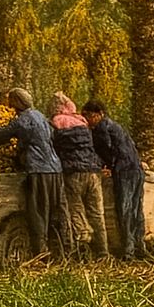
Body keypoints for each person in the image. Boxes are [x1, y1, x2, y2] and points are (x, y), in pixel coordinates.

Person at [0, 88, 69, 259]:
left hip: (39, 170)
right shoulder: (41, 117)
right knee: (57, 210)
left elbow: (2, 135)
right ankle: (64, 250)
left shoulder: (23, 121)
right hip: (55, 169)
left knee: (38, 211)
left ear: (16, 103)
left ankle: (41, 253)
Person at [48, 92, 109, 260]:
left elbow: (55, 147)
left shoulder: (56, 122)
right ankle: (103, 253)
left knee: (76, 210)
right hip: (93, 172)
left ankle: (84, 244)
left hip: (73, 173)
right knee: (97, 213)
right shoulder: (82, 122)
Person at [83, 100, 145, 261]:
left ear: (99, 114)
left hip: (124, 172)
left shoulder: (102, 128)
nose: (88, 120)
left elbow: (106, 149)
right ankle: (139, 247)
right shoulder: (115, 126)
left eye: (89, 116)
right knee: (136, 210)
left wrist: (108, 167)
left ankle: (128, 251)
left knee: (125, 211)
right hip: (136, 169)